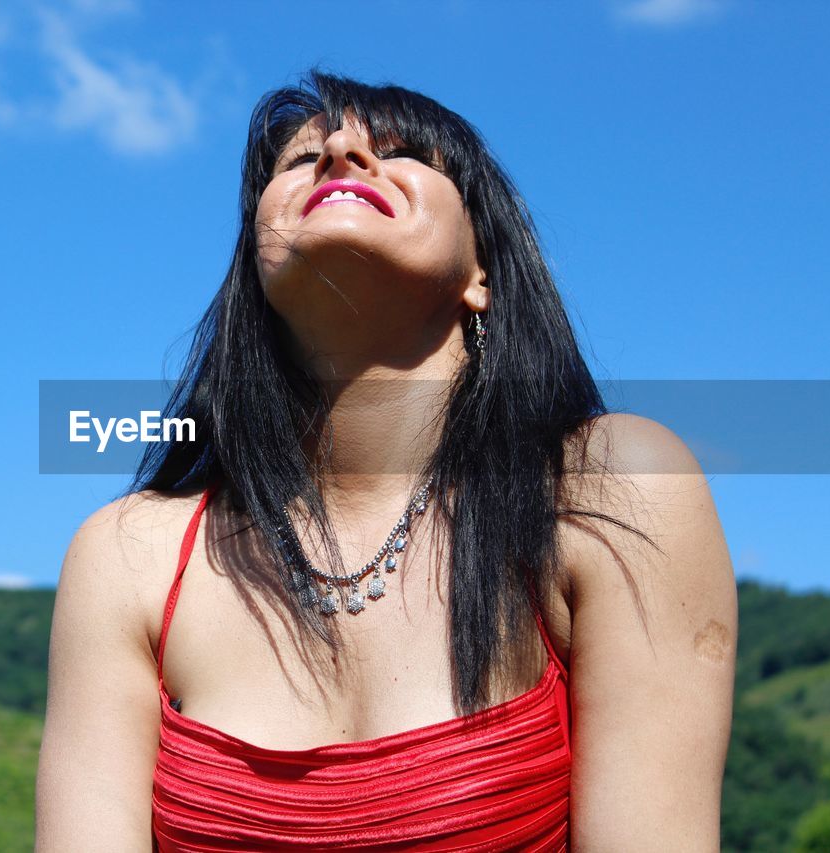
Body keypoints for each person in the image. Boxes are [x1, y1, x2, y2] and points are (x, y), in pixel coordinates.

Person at [36, 69, 737, 851]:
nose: (341, 150)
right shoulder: (129, 555)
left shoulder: (608, 489)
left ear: (483, 275)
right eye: (300, 160)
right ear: (256, 273)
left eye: (405, 152)